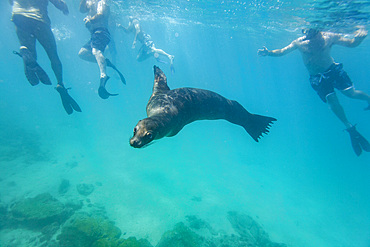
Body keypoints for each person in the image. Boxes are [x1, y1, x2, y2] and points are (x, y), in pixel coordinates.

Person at [258, 27, 370, 156]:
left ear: (318, 30)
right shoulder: (299, 42)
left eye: (312, 31)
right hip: (317, 77)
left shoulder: (329, 37)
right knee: (331, 100)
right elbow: (283, 51)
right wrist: (269, 53)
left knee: (351, 93)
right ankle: (350, 127)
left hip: (333, 71)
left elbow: (351, 44)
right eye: (305, 31)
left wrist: (359, 38)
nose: (307, 34)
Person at [10, 0, 81, 115]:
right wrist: (64, 7)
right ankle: (60, 84)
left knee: (30, 53)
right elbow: (59, 4)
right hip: (39, 20)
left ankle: (25, 51)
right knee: (53, 55)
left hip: (19, 17)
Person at [78, 0, 125, 100]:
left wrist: (90, 20)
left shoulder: (102, 2)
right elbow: (81, 10)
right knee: (82, 53)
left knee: (96, 51)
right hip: (94, 34)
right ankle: (106, 62)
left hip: (102, 32)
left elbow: (101, 14)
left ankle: (103, 75)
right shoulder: (90, 2)